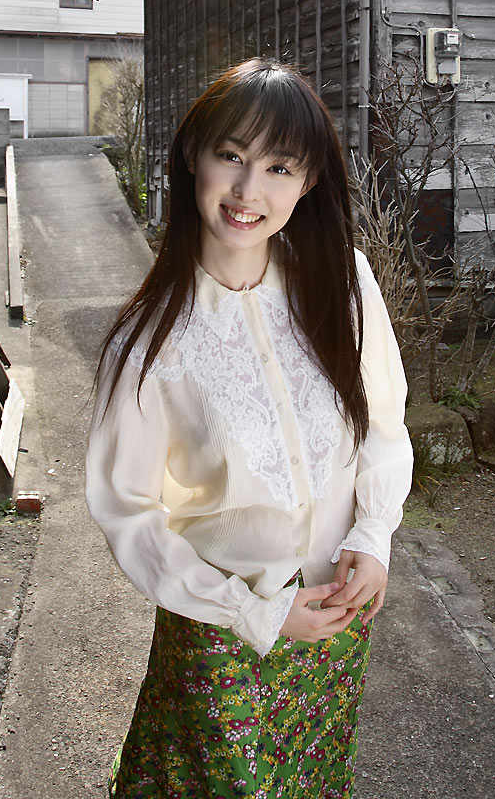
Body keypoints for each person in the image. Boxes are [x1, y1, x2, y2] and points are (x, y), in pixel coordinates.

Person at [85, 58, 413, 797]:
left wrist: (372, 537)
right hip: (219, 634)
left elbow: (383, 423)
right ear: (191, 157)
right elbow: (129, 514)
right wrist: (252, 610)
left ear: (309, 181)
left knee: (313, 783)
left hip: (334, 619)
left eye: (278, 168)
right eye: (231, 156)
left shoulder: (344, 284)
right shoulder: (148, 344)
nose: (247, 190)